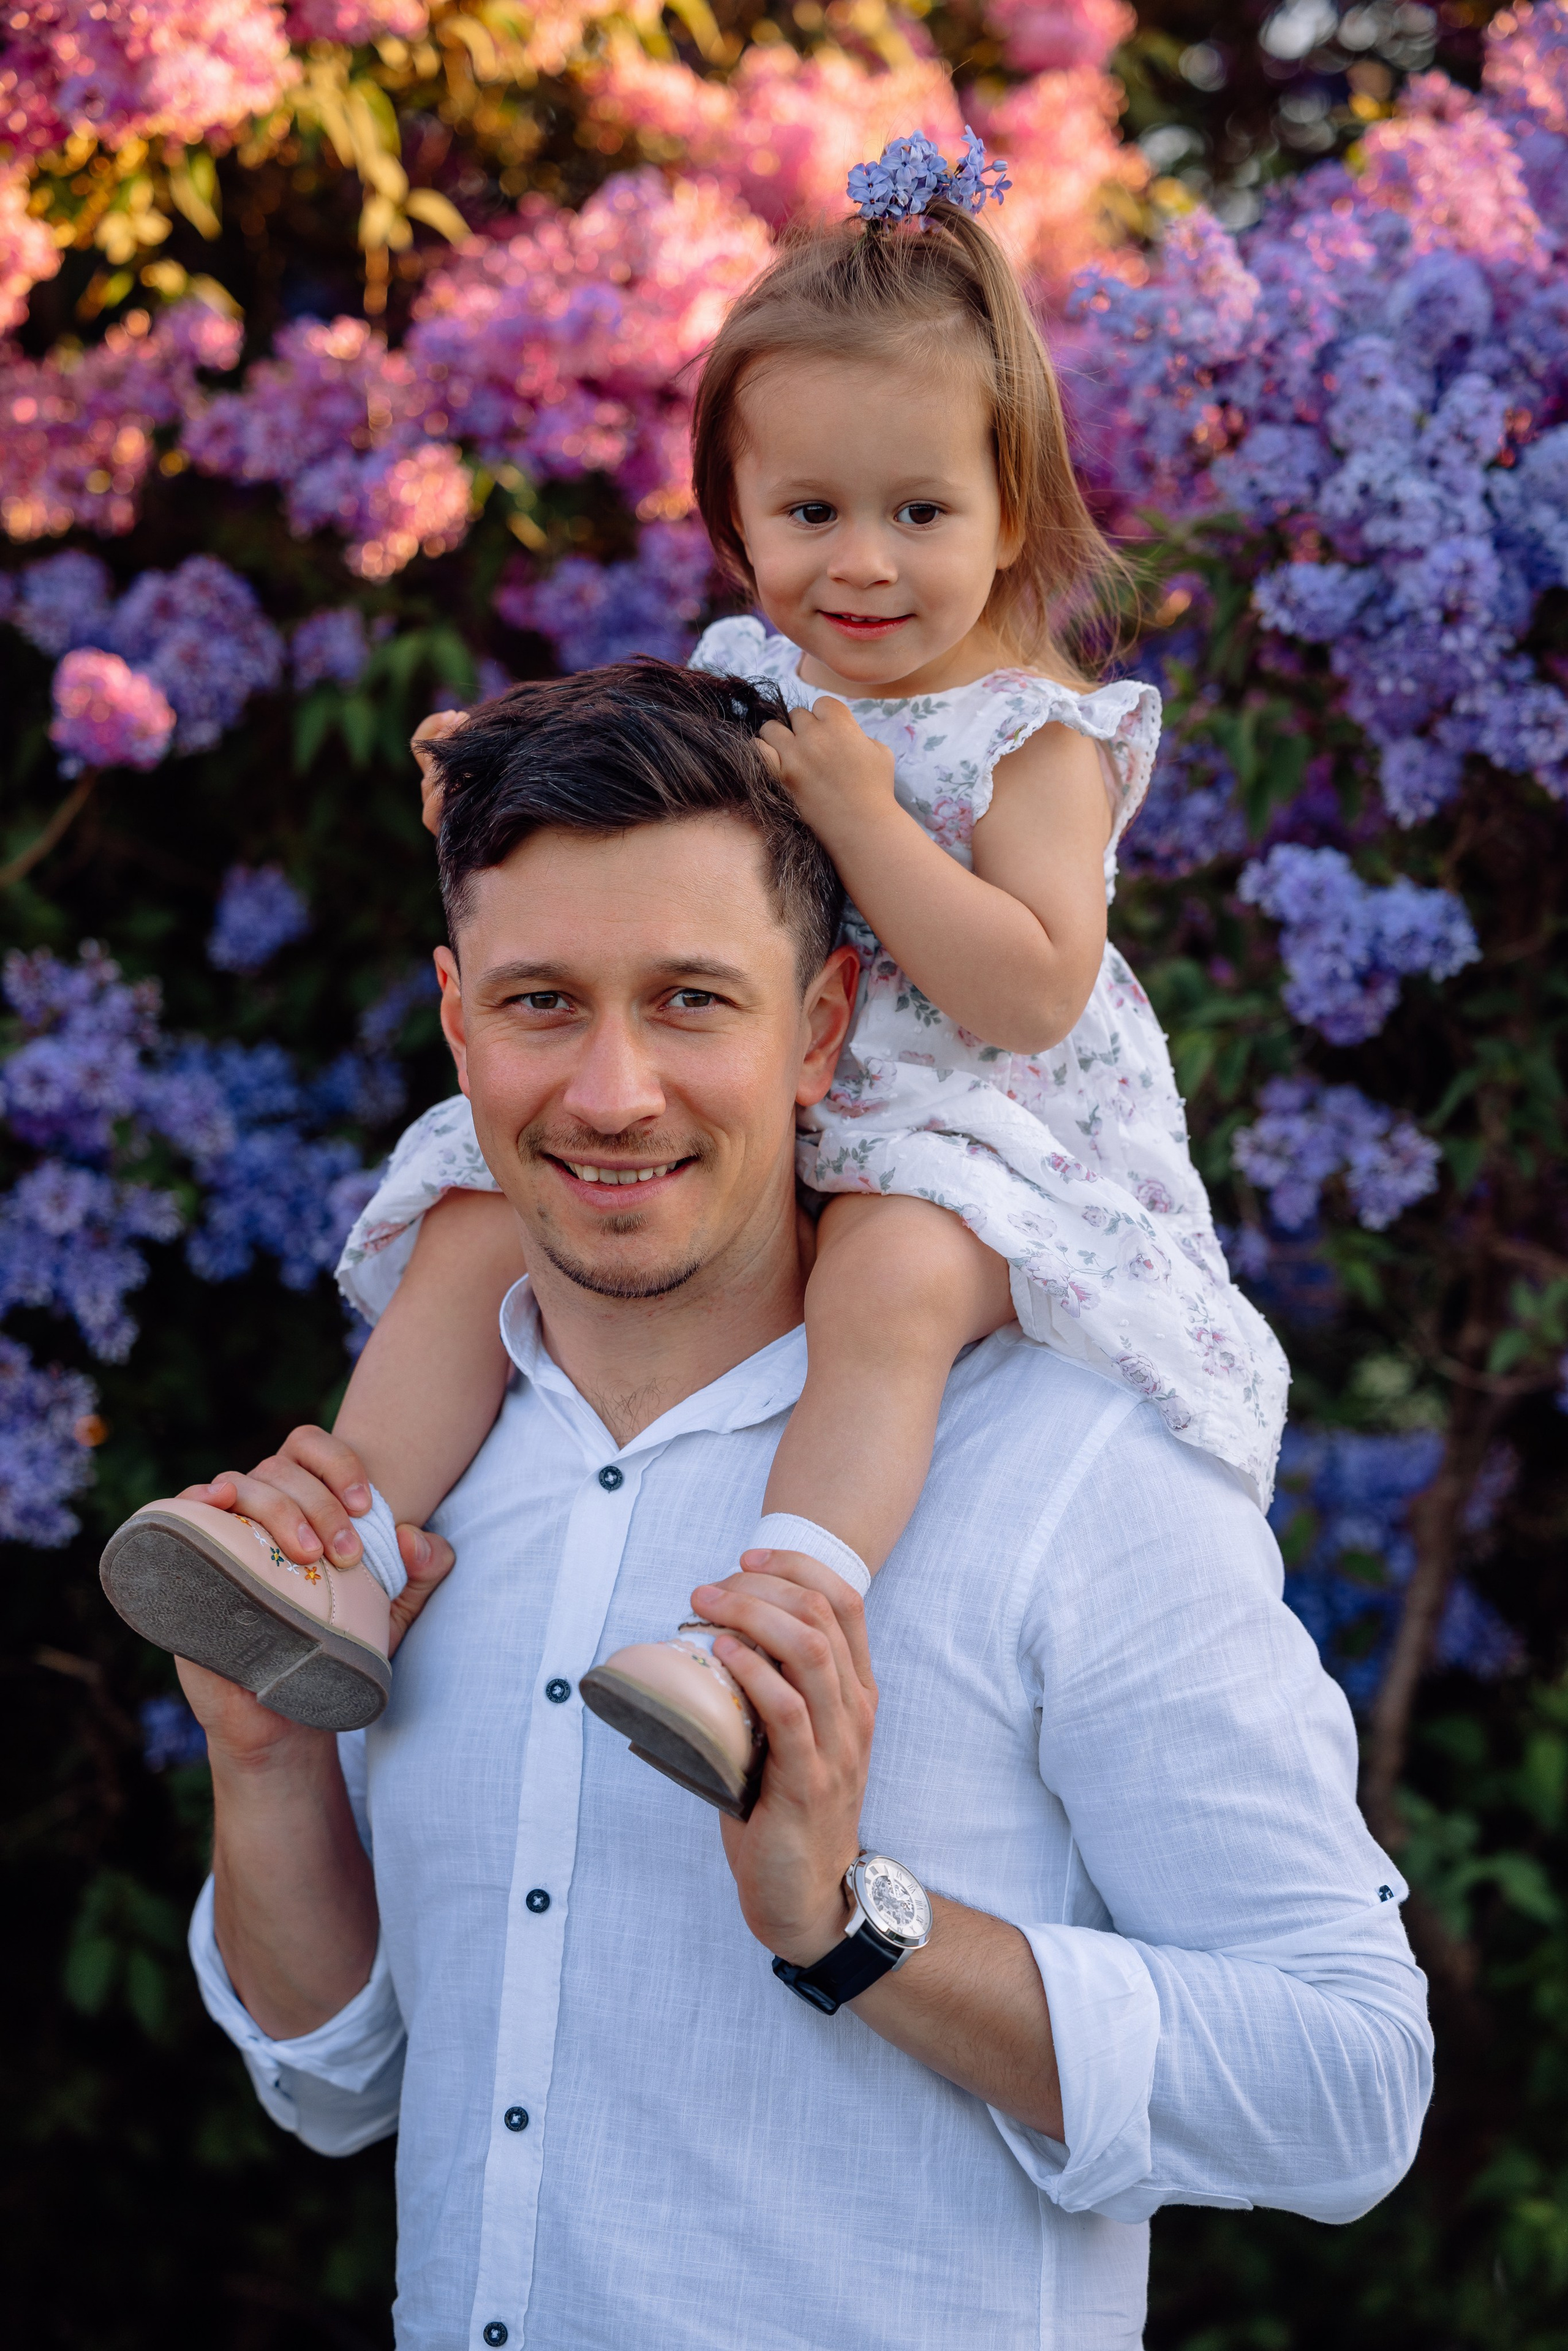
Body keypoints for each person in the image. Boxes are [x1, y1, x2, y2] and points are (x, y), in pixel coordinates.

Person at [172, 665, 1428, 2348]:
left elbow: (1350, 2090)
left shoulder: (1073, 1470)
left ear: (824, 1026)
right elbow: (336, 2088)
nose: (613, 1093)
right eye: (543, 1003)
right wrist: (263, 1767)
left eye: (692, 1001)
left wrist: (853, 1926)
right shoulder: (414, 1475)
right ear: (457, 1020)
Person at [258, 154, 1284, 1803]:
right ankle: (341, 1558)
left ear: (1014, 510)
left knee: (885, 1287)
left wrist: (867, 821)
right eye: (810, 515)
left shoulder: (1036, 739)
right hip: (745, 1091)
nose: (861, 565)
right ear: (736, 520)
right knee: (474, 1212)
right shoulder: (751, 670)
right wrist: (496, 764)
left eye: (920, 513)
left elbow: (1034, 994)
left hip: (960, 1133)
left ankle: (766, 1630)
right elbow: (642, 808)